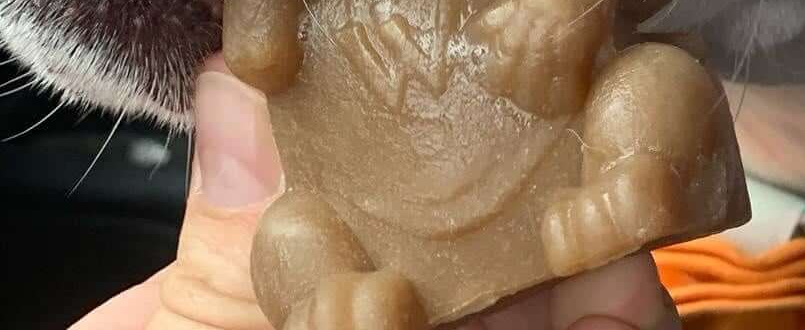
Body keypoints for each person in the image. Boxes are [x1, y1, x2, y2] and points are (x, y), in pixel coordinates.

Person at [73, 61, 682, 330]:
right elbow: (259, 48)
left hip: (529, 165)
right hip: (372, 214)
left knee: (649, 84)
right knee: (289, 231)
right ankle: (326, 300)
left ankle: (636, 173)